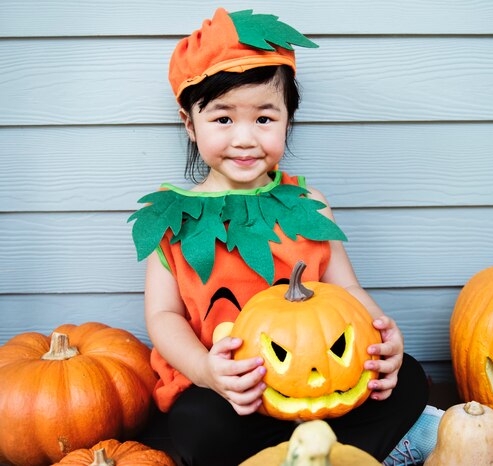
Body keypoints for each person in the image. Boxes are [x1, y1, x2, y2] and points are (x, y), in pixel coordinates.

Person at [129, 7, 443, 466]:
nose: (244, 138)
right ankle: (342, 452)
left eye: (264, 118)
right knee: (196, 425)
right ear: (188, 123)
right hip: (237, 393)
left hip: (320, 380)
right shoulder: (172, 217)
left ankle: (321, 452)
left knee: (409, 376)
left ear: (287, 119)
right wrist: (206, 371)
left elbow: (347, 289)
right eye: (222, 119)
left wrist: (385, 336)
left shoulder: (306, 203)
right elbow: (162, 316)